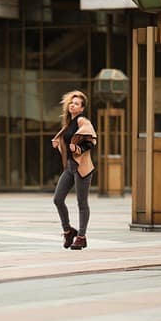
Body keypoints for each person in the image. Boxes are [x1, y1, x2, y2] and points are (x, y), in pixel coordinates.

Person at [51, 90, 97, 250]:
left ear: (82, 108)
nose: (73, 105)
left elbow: (92, 140)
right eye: (71, 102)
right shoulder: (69, 123)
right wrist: (59, 144)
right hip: (70, 167)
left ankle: (81, 236)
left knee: (81, 203)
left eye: (77, 103)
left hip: (82, 168)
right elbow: (66, 145)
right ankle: (68, 230)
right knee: (57, 199)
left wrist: (77, 148)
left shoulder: (83, 121)